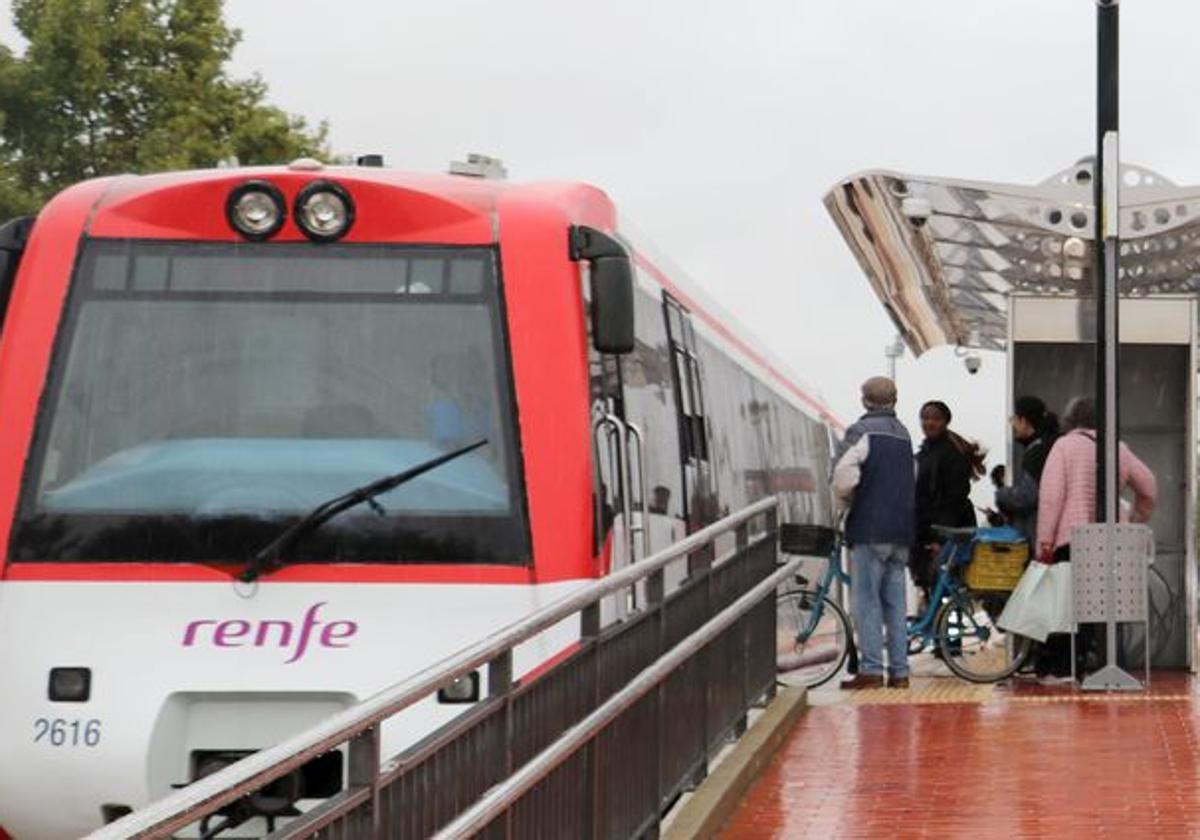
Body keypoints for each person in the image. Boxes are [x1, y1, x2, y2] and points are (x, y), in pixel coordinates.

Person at [1035, 396, 1157, 679]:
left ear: (1071, 418)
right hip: (1111, 540)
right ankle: (1112, 664)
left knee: (1069, 605)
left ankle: (1065, 668)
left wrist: (1045, 539)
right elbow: (1149, 488)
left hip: (1073, 539)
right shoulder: (1118, 448)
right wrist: (1135, 518)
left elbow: (1052, 498)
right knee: (1106, 604)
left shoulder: (1063, 446)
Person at [832, 377, 916, 690]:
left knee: (867, 600)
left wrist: (847, 503)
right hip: (901, 530)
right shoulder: (904, 434)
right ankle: (900, 671)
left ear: (865, 400)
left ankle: (870, 670)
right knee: (895, 603)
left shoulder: (861, 432)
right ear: (894, 400)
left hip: (870, 528)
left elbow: (842, 475)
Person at [912, 401, 984, 605]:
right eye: (925, 418)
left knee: (943, 590)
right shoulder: (926, 452)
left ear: (946, 422)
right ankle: (938, 633)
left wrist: (941, 537)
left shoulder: (951, 454)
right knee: (932, 589)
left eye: (935, 418)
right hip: (928, 531)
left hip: (945, 532)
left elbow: (955, 499)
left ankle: (948, 637)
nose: (929, 423)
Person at [994, 396, 1060, 542]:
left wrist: (1002, 494)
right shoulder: (1053, 444)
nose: (1012, 424)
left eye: (1015, 419)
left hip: (1040, 532)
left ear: (1024, 421)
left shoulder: (1037, 451)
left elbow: (1026, 496)